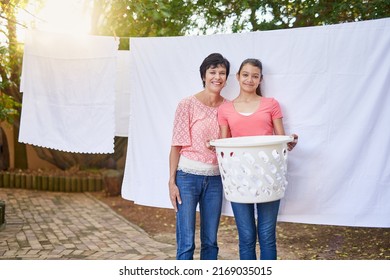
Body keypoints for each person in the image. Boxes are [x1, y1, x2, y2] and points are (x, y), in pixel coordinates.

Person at [217, 58, 298, 260]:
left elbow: (281, 139)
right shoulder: (225, 109)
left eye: (255, 76)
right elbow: (224, 143)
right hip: (238, 177)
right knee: (246, 236)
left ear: (261, 79)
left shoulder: (271, 104)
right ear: (237, 77)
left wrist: (290, 141)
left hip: (268, 175)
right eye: (245, 75)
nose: (249, 79)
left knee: (267, 235)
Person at [168, 53, 231, 260]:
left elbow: (233, 144)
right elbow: (176, 145)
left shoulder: (229, 108)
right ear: (204, 75)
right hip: (186, 177)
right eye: (213, 72)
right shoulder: (186, 104)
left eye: (222, 73)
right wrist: (172, 182)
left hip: (215, 179)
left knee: (211, 242)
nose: (217, 77)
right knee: (186, 242)